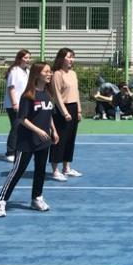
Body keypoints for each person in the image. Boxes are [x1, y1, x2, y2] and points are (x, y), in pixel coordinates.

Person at [0, 62, 59, 217]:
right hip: (27, 141)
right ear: (37, 74)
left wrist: (54, 131)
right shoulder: (28, 95)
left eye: (50, 72)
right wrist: (38, 130)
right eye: (46, 72)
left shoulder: (48, 94)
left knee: (40, 170)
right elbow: (22, 119)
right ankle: (0, 201)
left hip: (44, 141)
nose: (49, 74)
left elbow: (49, 115)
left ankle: (36, 198)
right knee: (17, 171)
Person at [50, 48, 82, 182]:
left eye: (73, 57)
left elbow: (76, 92)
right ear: (61, 58)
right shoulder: (57, 74)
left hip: (73, 108)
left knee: (70, 139)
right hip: (62, 110)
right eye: (69, 57)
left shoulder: (73, 73)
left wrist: (78, 110)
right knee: (59, 140)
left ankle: (66, 168)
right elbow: (57, 95)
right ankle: (55, 170)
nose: (71, 59)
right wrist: (65, 112)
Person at [3, 50, 32, 162]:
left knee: (22, 128)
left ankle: (19, 150)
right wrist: (15, 103)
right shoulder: (14, 71)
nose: (27, 60)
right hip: (14, 105)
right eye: (25, 57)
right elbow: (11, 88)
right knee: (16, 127)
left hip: (24, 104)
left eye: (29, 58)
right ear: (20, 58)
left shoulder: (27, 71)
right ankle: (10, 152)